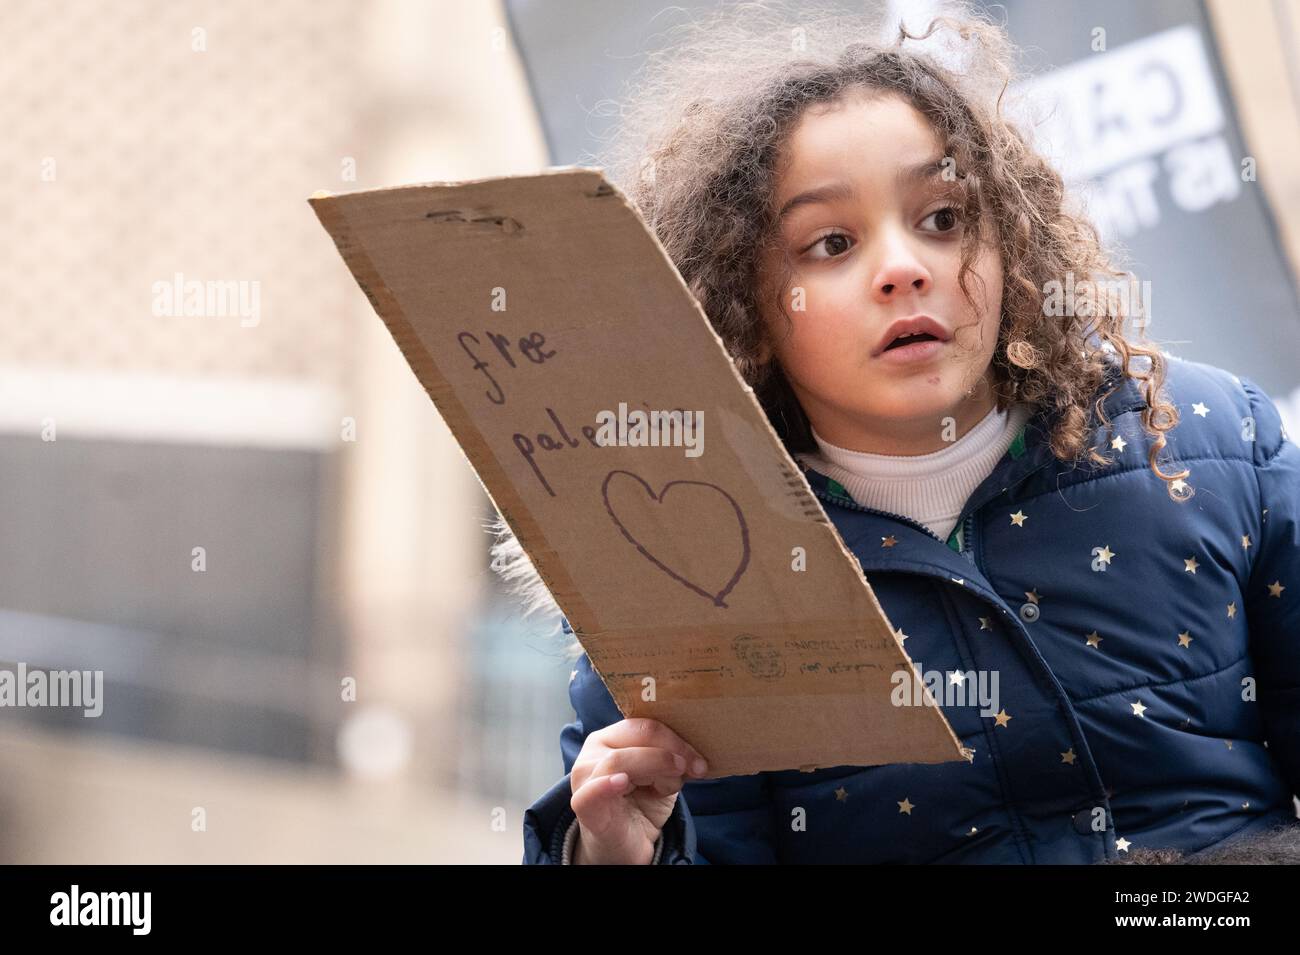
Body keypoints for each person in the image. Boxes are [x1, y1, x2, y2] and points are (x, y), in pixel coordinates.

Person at [503, 3, 1300, 864]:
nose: (903, 267)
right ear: (742, 306)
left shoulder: (1219, 448)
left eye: (945, 218)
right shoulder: (688, 574)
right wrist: (615, 847)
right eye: (832, 241)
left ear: (1013, 245)